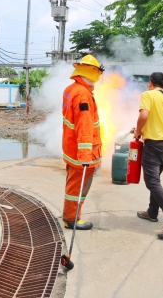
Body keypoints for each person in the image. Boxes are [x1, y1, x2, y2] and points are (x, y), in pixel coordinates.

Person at [131, 72, 163, 239]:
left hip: (153, 145)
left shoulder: (147, 94)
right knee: (156, 180)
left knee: (152, 182)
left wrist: (138, 132)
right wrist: (141, 130)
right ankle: (152, 212)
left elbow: (144, 115)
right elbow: (160, 122)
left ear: (150, 83)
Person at [62, 54, 105, 230]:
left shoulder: (70, 90)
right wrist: (86, 156)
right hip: (81, 154)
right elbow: (85, 127)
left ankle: (69, 215)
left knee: (72, 184)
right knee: (78, 187)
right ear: (92, 73)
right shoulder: (83, 95)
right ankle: (72, 219)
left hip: (71, 147)